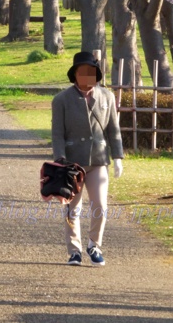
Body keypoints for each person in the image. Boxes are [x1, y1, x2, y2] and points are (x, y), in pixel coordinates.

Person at [51, 51, 124, 266]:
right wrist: (60, 158)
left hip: (99, 160)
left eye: (90, 72)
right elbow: (57, 134)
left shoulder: (107, 97)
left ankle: (94, 245)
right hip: (72, 163)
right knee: (72, 209)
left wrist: (118, 156)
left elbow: (113, 128)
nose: (86, 77)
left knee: (100, 206)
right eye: (82, 72)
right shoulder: (61, 100)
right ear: (75, 75)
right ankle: (74, 251)